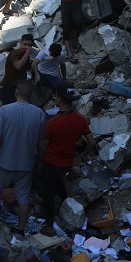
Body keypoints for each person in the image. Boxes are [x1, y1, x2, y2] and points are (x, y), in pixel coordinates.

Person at [0, 80, 46, 236]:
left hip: (5, 163)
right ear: (31, 95)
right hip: (26, 164)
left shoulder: (5, 110)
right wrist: (39, 163)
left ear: (16, 92)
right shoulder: (39, 114)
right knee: (23, 198)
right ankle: (21, 231)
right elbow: (42, 144)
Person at [38, 82, 96, 236]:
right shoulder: (80, 120)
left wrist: (39, 163)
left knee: (48, 194)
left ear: (58, 99)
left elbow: (43, 147)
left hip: (50, 163)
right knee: (59, 184)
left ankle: (49, 226)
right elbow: (92, 142)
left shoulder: (52, 122)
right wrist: (83, 156)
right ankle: (67, 208)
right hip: (67, 164)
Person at [0, 34, 34, 105]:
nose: (27, 47)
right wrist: (27, 54)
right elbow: (18, 66)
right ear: (20, 43)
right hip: (9, 86)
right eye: (25, 44)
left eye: (29, 45)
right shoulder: (14, 53)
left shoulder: (25, 55)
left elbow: (27, 68)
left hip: (18, 87)